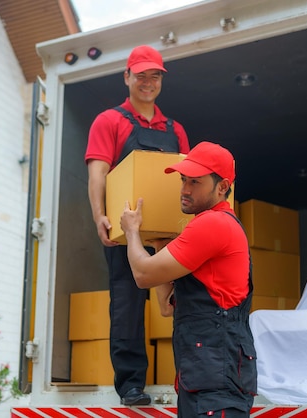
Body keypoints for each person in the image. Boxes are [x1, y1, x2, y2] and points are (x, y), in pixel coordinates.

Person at [119, 141, 257, 417]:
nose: (184, 189)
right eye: (183, 180)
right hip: (205, 379)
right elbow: (166, 308)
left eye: (195, 182)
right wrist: (160, 247)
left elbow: (143, 275)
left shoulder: (213, 224)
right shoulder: (211, 226)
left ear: (222, 186)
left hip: (215, 385)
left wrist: (132, 232)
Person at [85, 45, 190, 406]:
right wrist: (100, 214)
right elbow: (98, 172)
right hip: (125, 230)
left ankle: (191, 377)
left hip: (167, 233)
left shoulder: (175, 129)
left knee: (183, 303)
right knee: (127, 307)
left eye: (155, 76)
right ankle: (130, 385)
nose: (148, 82)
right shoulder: (109, 121)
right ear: (127, 77)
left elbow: (187, 180)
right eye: (141, 75)